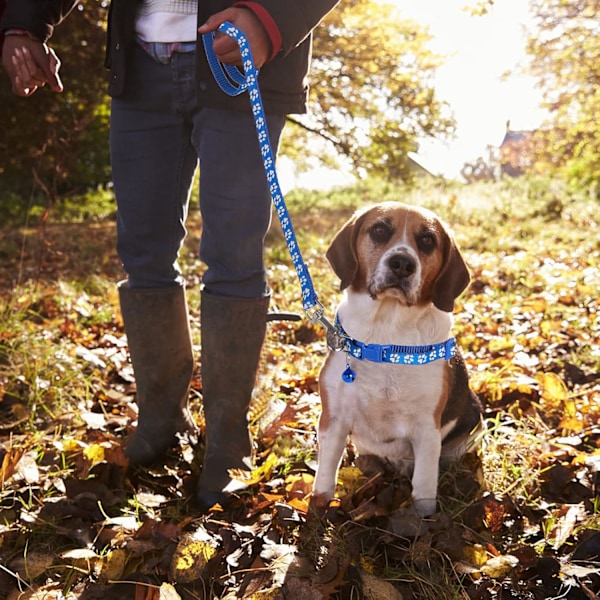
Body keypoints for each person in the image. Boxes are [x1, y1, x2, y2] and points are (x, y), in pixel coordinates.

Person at [1, 0, 338, 510]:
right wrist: (23, 24)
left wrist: (269, 19)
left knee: (234, 256)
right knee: (143, 254)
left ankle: (228, 438)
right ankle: (160, 419)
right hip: (139, 68)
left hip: (240, 61)